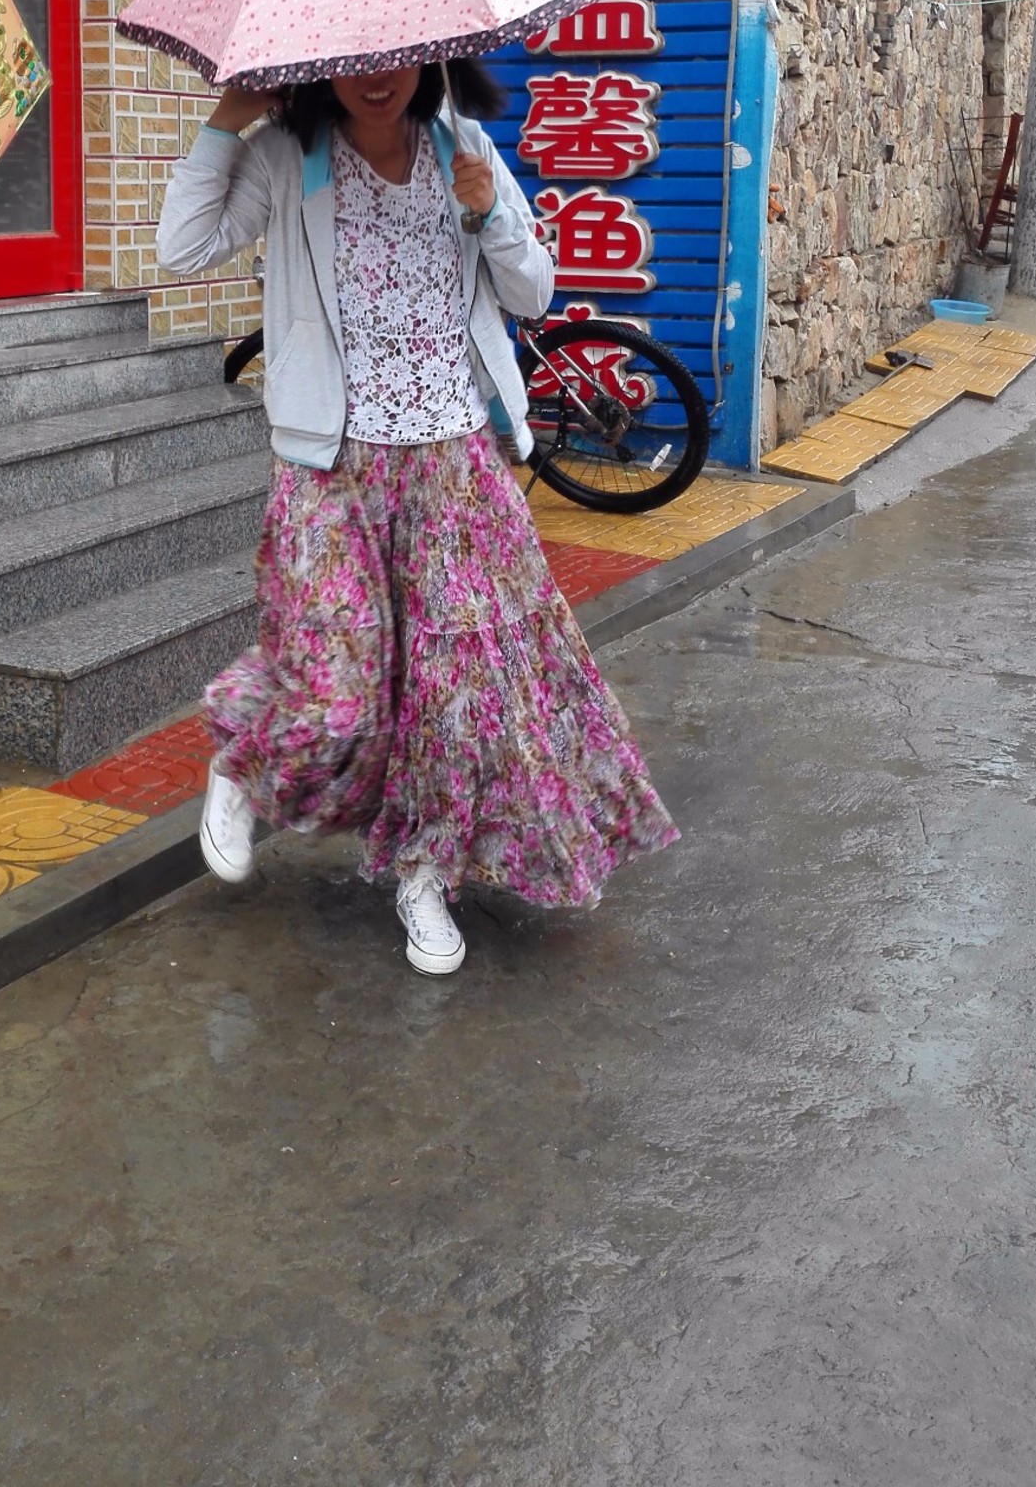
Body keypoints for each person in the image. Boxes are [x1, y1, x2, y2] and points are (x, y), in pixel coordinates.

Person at [155, 58, 678, 976]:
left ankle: (425, 875)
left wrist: (492, 211)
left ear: (432, 56)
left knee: (456, 700)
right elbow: (182, 249)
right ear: (324, 67)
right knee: (337, 689)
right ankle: (244, 762)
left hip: (454, 466)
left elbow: (534, 294)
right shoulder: (285, 156)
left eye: (395, 58)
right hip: (331, 467)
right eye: (355, 62)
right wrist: (223, 126)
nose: (377, 78)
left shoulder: (464, 149)